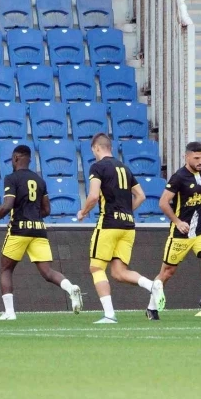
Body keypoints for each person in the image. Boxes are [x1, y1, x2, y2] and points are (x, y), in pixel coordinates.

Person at [0, 145, 83, 319]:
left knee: (6, 269)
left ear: (16, 158)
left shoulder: (11, 178)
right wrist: (33, 215)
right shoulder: (40, 181)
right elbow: (47, 210)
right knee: (47, 272)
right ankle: (70, 288)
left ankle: (9, 312)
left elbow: (7, 205)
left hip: (19, 229)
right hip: (39, 229)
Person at [76, 133, 163, 324]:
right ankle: (152, 285)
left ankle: (109, 315)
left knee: (96, 267)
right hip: (128, 226)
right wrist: (126, 211)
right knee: (118, 272)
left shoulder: (98, 167)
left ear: (96, 148)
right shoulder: (125, 168)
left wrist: (83, 212)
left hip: (108, 224)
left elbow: (93, 196)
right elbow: (141, 196)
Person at [149, 142, 201, 321]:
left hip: (200, 231)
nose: (200, 161)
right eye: (196, 158)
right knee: (167, 272)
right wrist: (177, 221)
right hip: (181, 234)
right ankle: (151, 307)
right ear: (186, 157)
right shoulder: (178, 177)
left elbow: (200, 197)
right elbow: (163, 203)